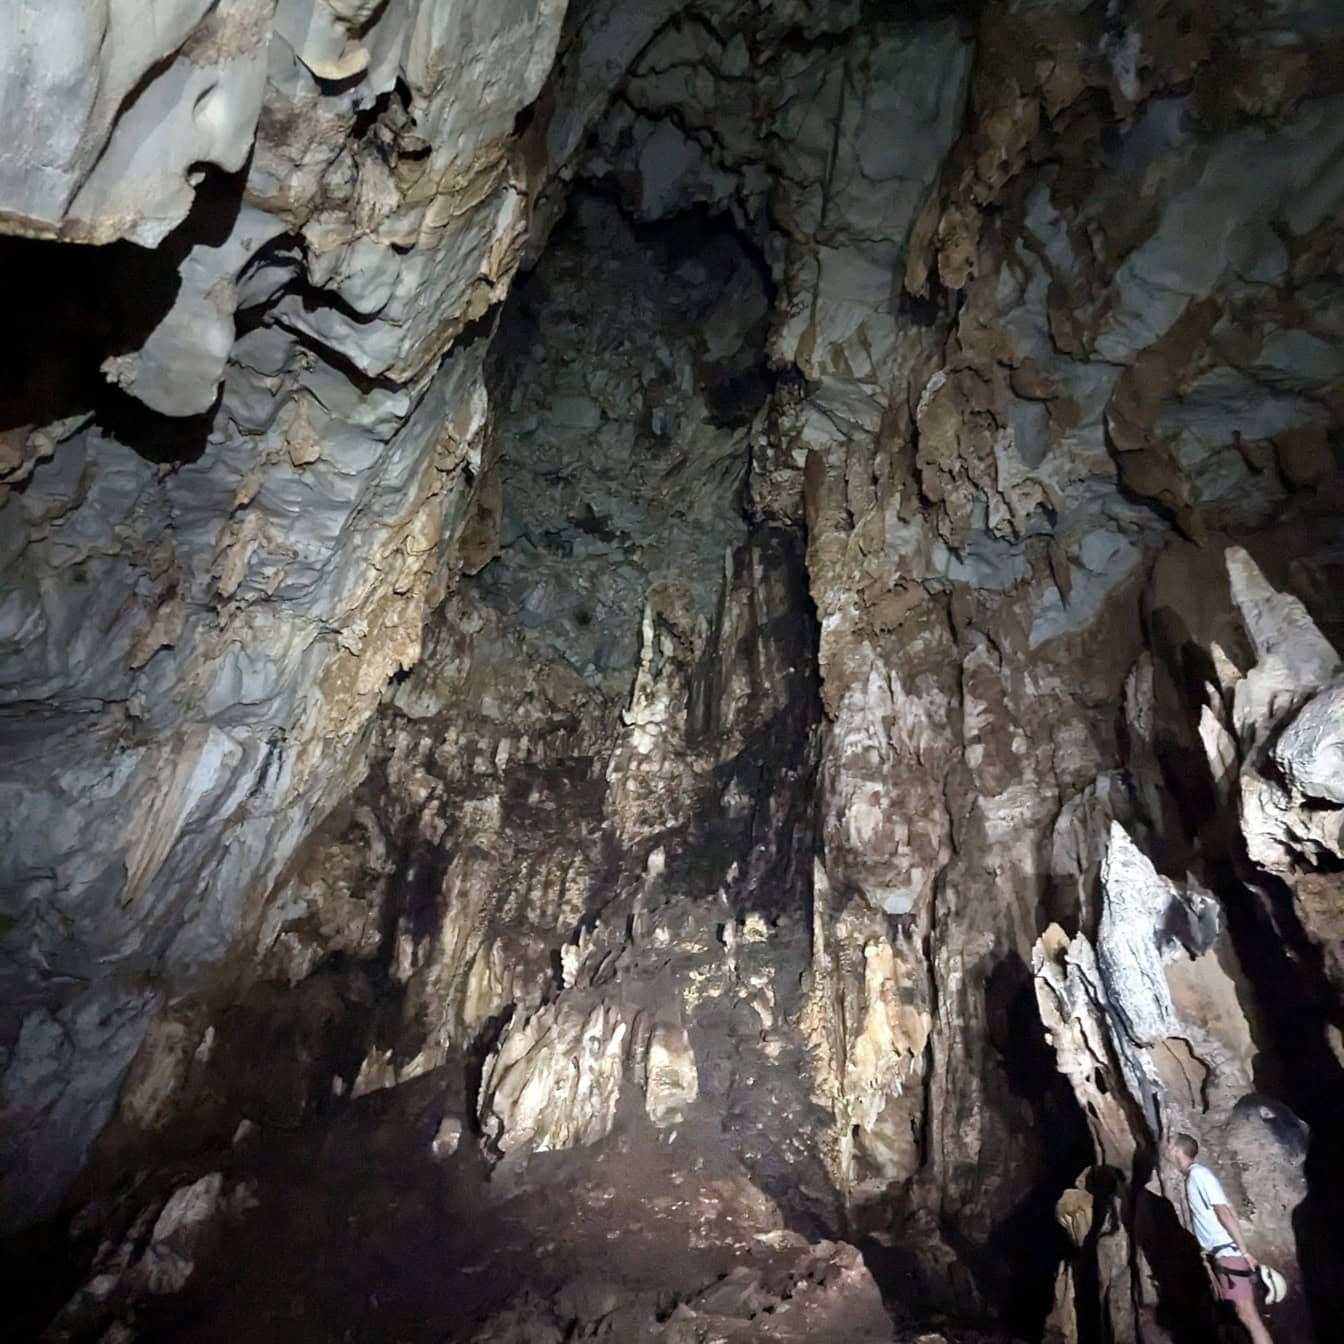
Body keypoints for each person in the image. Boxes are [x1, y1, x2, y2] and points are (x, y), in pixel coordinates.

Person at [1165, 1132, 1273, 1343]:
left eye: (1169, 1144)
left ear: (1178, 1149)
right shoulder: (1193, 1177)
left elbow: (1223, 1211)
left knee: (1248, 1316)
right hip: (1220, 1254)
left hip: (1227, 1252)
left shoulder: (1199, 1175)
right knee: (1236, 1315)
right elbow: (1227, 1208)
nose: (1166, 1149)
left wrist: (1244, 1251)